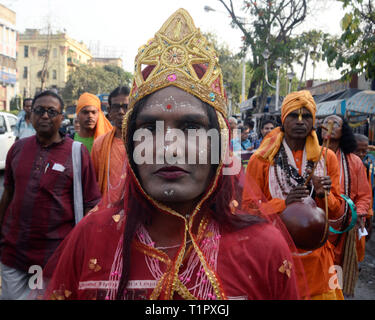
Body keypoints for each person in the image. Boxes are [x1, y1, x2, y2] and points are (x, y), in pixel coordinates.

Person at [43, 9, 302, 300]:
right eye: (149, 129)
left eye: (191, 127)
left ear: (219, 141)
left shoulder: (262, 247)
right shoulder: (92, 237)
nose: (169, 147)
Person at [242, 90, 345, 300]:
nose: (300, 121)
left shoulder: (327, 158)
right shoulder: (261, 160)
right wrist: (283, 204)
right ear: (283, 119)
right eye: (293, 116)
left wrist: (324, 195)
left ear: (313, 121)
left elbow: (337, 212)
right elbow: (247, 209)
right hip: (275, 257)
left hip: (317, 260)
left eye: (306, 116)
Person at [0, 90, 101, 300]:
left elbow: (91, 204)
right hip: (13, 254)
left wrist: (85, 250)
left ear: (61, 117)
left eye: (51, 111)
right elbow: (8, 193)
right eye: (39, 110)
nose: (45, 116)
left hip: (54, 257)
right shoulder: (17, 149)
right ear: (31, 116)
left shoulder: (77, 152)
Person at [321, 116, 371, 297]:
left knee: (338, 273)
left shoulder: (355, 162)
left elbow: (364, 196)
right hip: (316, 229)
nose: (331, 125)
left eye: (336, 124)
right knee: (316, 275)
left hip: (344, 230)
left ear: (344, 132)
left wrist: (360, 214)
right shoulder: (311, 156)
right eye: (326, 122)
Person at [91, 86, 130, 208]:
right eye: (116, 107)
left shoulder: (146, 142)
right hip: (108, 211)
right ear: (109, 110)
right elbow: (93, 184)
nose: (121, 112)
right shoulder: (99, 144)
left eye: (126, 107)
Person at [354, 133, 374, 241]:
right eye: (357, 150)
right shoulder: (344, 167)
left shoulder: (366, 168)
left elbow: (368, 194)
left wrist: (369, 219)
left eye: (364, 151)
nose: (361, 154)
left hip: (362, 216)